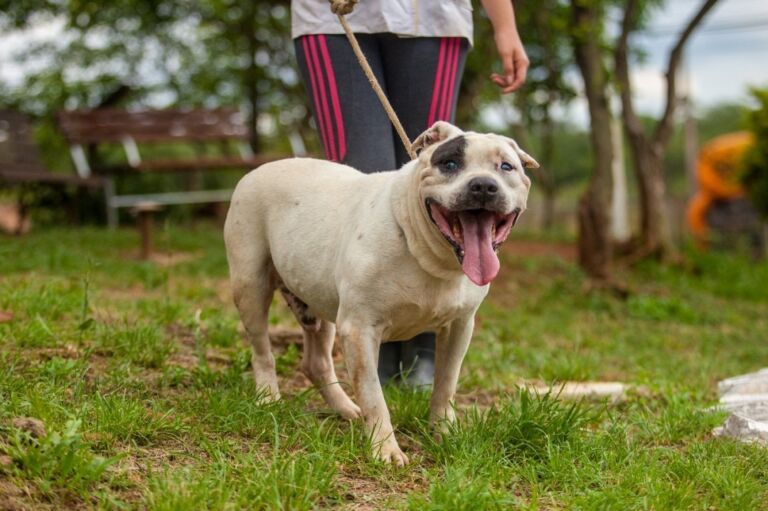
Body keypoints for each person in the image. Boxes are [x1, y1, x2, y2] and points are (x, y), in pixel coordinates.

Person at [291, 0, 528, 386]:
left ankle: (421, 350)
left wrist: (504, 25)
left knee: (435, 177)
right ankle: (373, 344)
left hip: (432, 15)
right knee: (364, 180)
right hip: (331, 15)